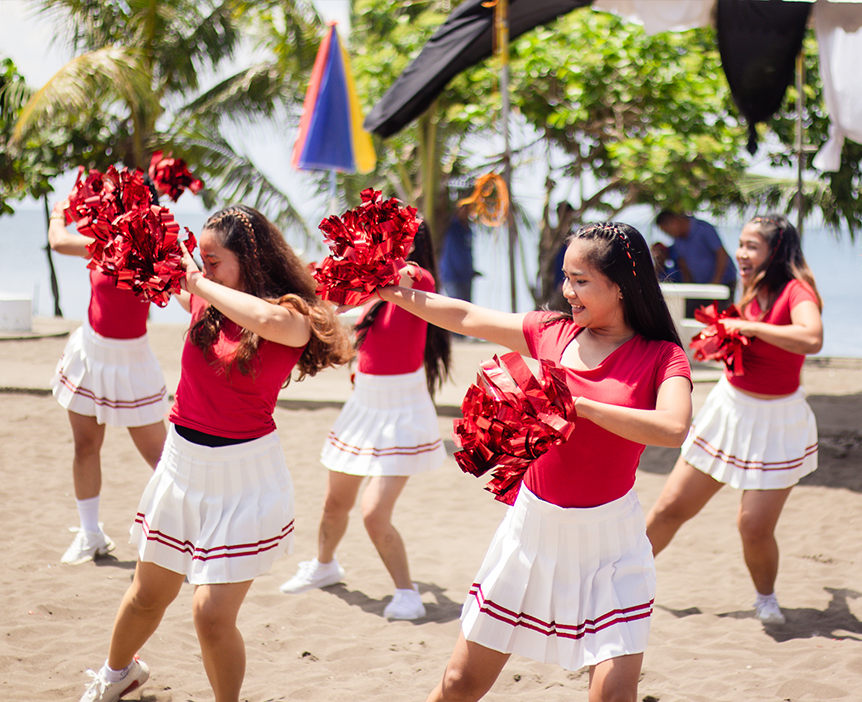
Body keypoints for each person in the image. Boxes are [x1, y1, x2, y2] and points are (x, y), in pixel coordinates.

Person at [374, 222, 693, 702]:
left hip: (612, 545)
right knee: (460, 684)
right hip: (532, 532)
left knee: (612, 695)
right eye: (566, 278)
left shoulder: (661, 357)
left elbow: (672, 428)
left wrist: (578, 406)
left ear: (623, 285)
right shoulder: (550, 332)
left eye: (581, 280)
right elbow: (463, 314)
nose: (567, 291)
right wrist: (393, 292)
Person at [77, 205, 352, 702]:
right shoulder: (207, 298)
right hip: (182, 465)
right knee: (146, 597)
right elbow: (156, 274)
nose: (202, 268)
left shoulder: (291, 317)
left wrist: (196, 281)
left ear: (249, 259)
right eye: (200, 259)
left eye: (213, 259)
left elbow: (266, 318)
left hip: (245, 477)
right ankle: (116, 673)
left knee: (211, 615)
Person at [645, 214, 823, 626]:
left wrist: (749, 327)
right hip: (729, 410)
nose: (741, 253)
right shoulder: (752, 284)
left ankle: (766, 598)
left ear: (775, 252)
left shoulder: (798, 290)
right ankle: (615, 581)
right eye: (740, 244)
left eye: (752, 246)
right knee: (670, 507)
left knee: (753, 527)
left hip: (778, 421)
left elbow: (812, 338)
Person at [279, 220, 452, 621]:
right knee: (334, 502)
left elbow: (399, 274)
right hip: (364, 404)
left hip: (402, 409)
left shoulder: (416, 279)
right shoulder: (372, 290)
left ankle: (407, 592)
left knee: (374, 513)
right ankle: (324, 566)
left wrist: (363, 264)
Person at [48, 200, 170, 565]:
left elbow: (188, 288)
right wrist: (61, 212)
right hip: (89, 354)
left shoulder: (156, 255)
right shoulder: (101, 244)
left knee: (162, 459)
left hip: (132, 364)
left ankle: (194, 538)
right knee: (85, 446)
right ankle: (90, 534)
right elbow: (57, 241)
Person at [653, 209, 737, 316]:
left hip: (723, 283)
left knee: (721, 318)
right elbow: (683, 264)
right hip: (701, 287)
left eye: (667, 231)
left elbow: (721, 255)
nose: (668, 235)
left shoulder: (703, 229)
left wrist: (715, 282)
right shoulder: (677, 240)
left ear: (674, 222)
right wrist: (687, 287)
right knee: (691, 316)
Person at [438, 203, 477, 302]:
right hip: (452, 277)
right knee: (457, 310)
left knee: (467, 310)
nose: (467, 212)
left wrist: (471, 271)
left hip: (466, 277)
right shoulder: (453, 227)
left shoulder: (467, 229)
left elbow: (467, 252)